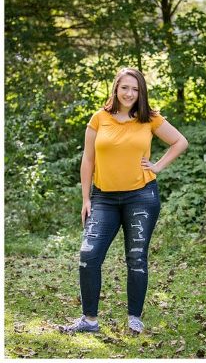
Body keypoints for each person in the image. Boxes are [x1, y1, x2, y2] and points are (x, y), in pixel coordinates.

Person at [59, 68, 188, 334]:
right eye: (125, 87)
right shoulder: (99, 118)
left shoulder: (149, 118)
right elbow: (88, 160)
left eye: (135, 89)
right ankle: (90, 321)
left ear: (141, 92)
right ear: (116, 88)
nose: (130, 93)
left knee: (136, 257)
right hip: (103, 198)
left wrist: (157, 166)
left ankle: (134, 318)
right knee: (88, 255)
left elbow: (180, 142)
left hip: (141, 197)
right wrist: (86, 198)